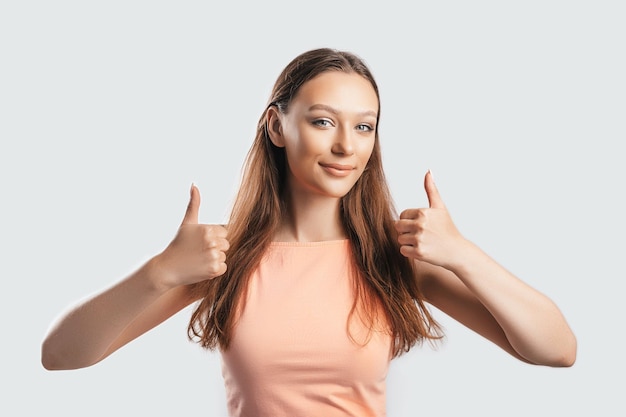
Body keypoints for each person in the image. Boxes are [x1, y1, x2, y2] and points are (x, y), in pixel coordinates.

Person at [41, 47, 577, 416]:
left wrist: (463, 255)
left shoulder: (395, 256)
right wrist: (158, 273)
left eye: (363, 126)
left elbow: (556, 350)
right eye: (323, 121)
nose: (347, 146)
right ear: (277, 126)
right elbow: (61, 355)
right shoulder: (222, 257)